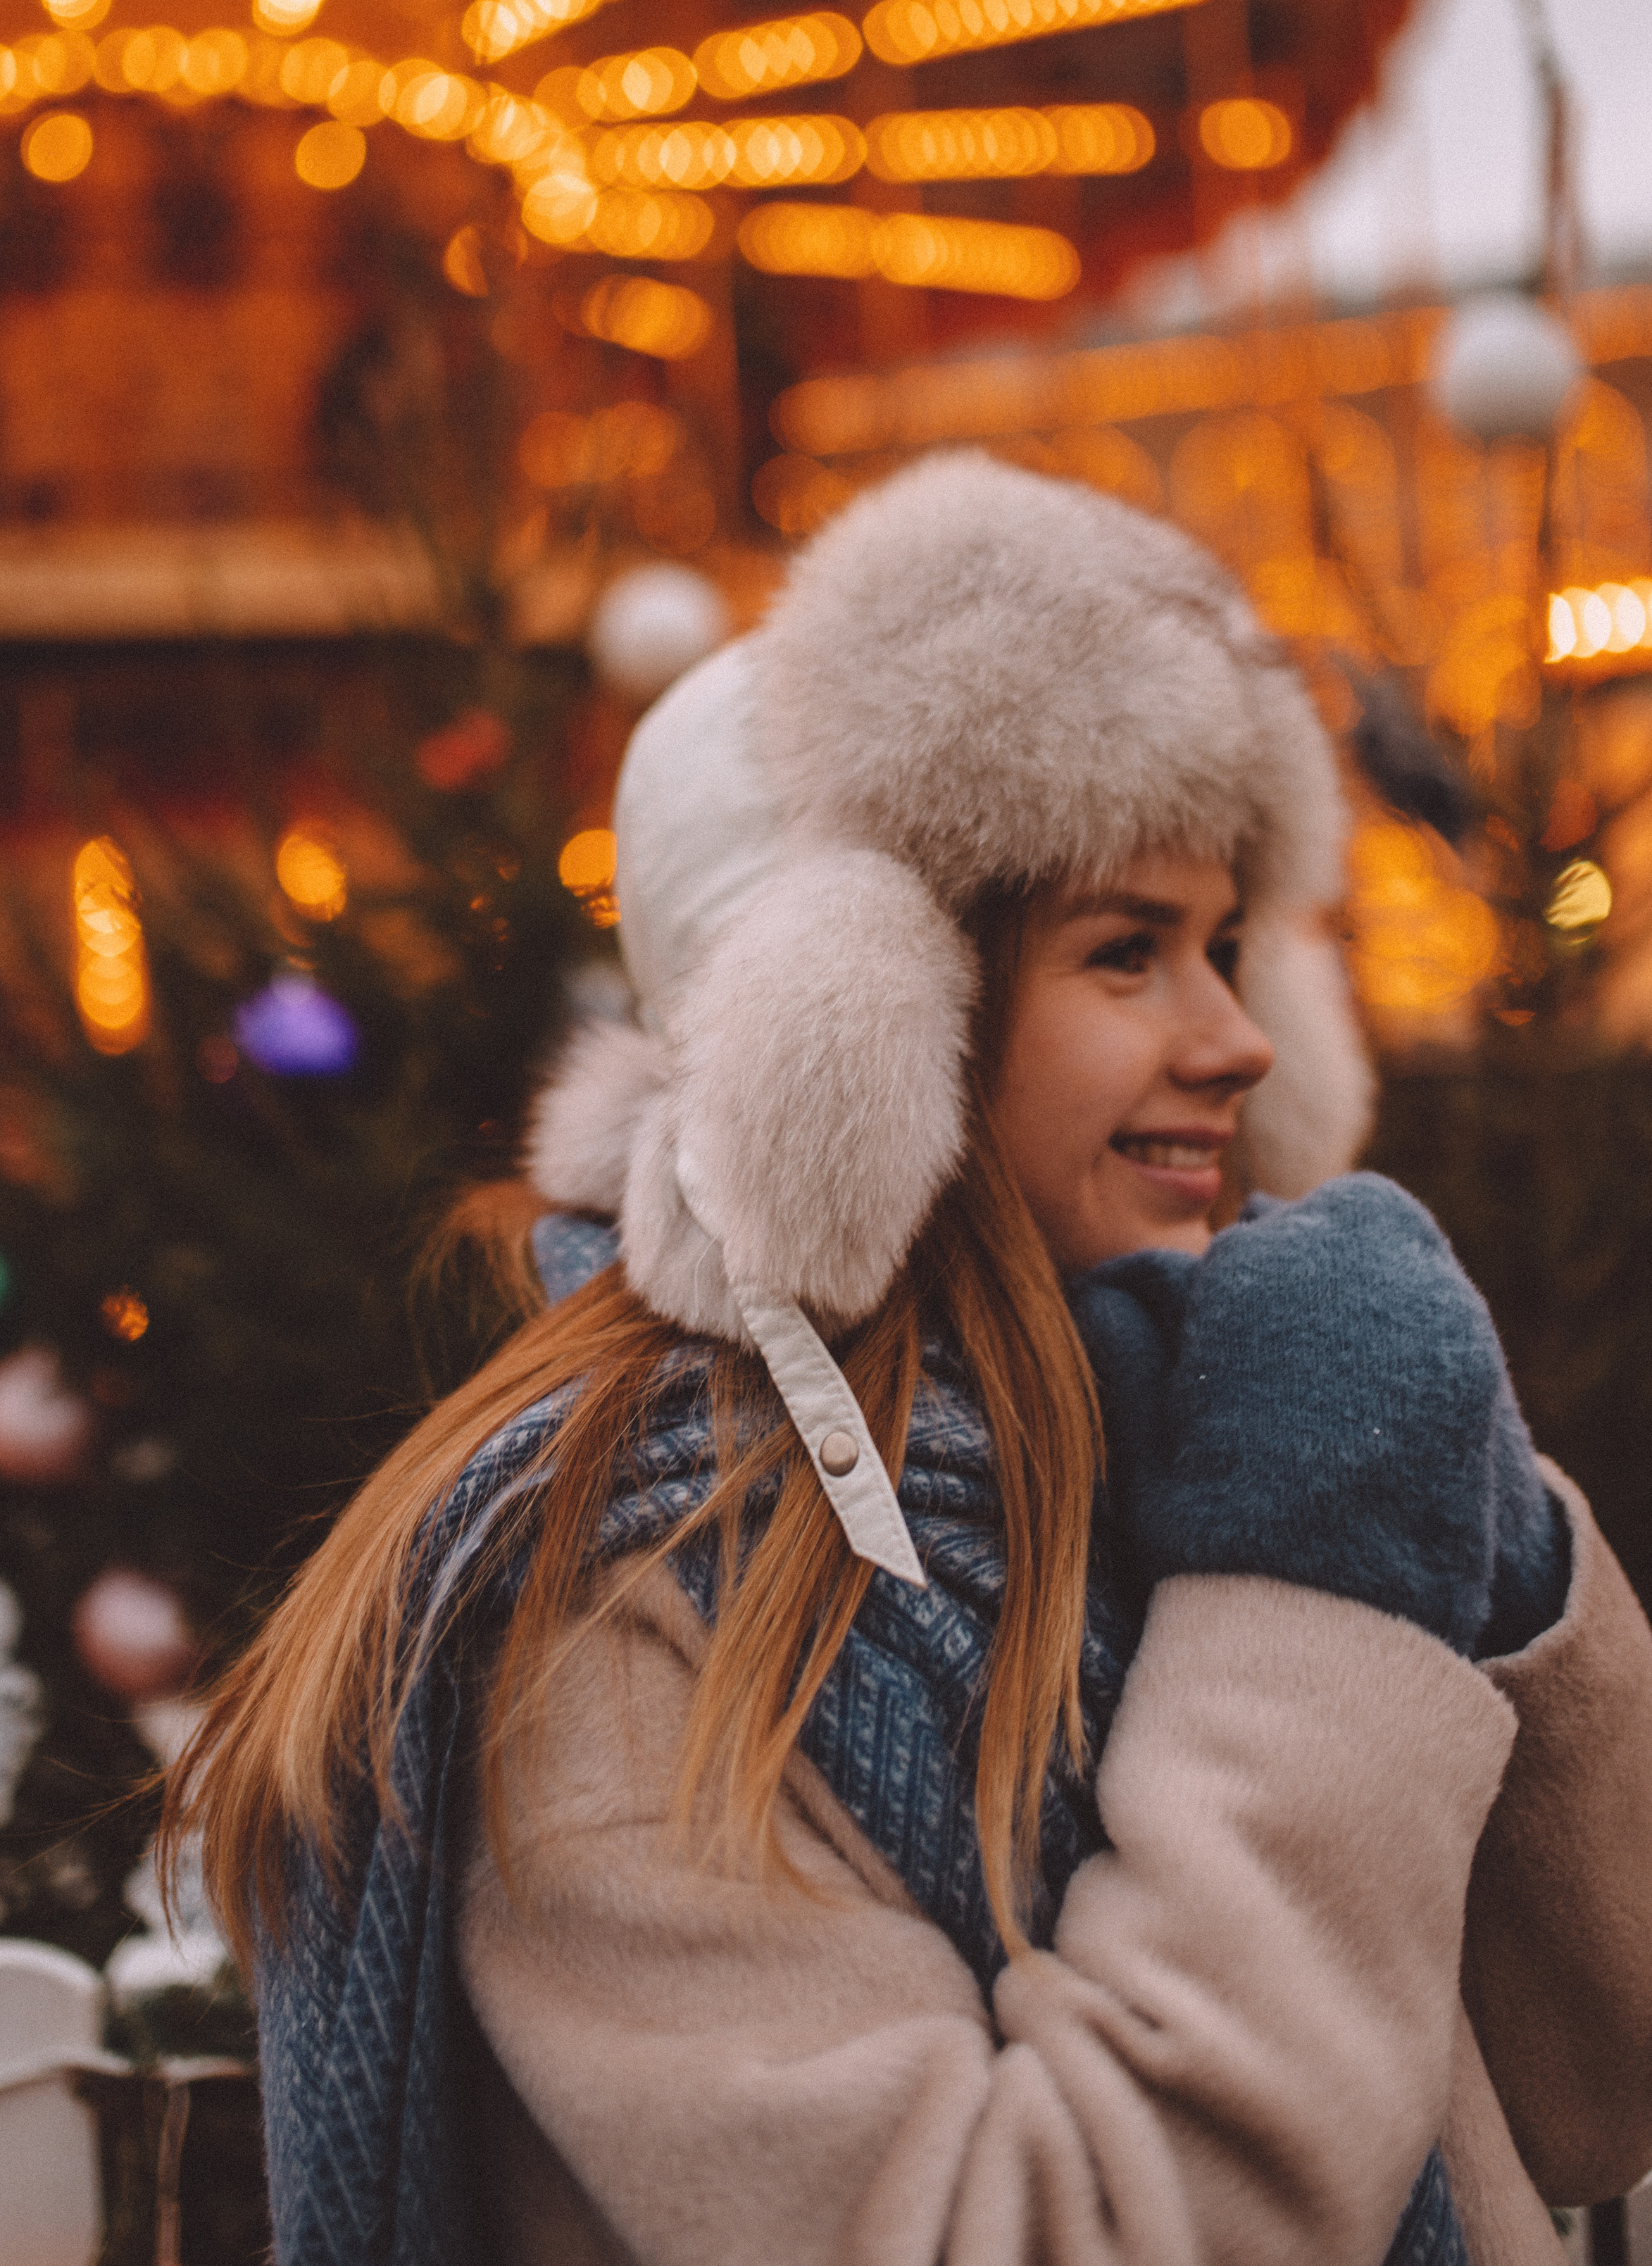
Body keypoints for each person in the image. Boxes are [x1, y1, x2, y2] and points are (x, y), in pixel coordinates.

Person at [168, 454, 1652, 2266]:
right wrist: (1316, 1596)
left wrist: (1482, 1542)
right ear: (872, 1022)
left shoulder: (1186, 1436)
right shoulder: (636, 1617)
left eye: (1227, 946)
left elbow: (1592, 2093)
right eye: (1127, 952)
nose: (1239, 1039)